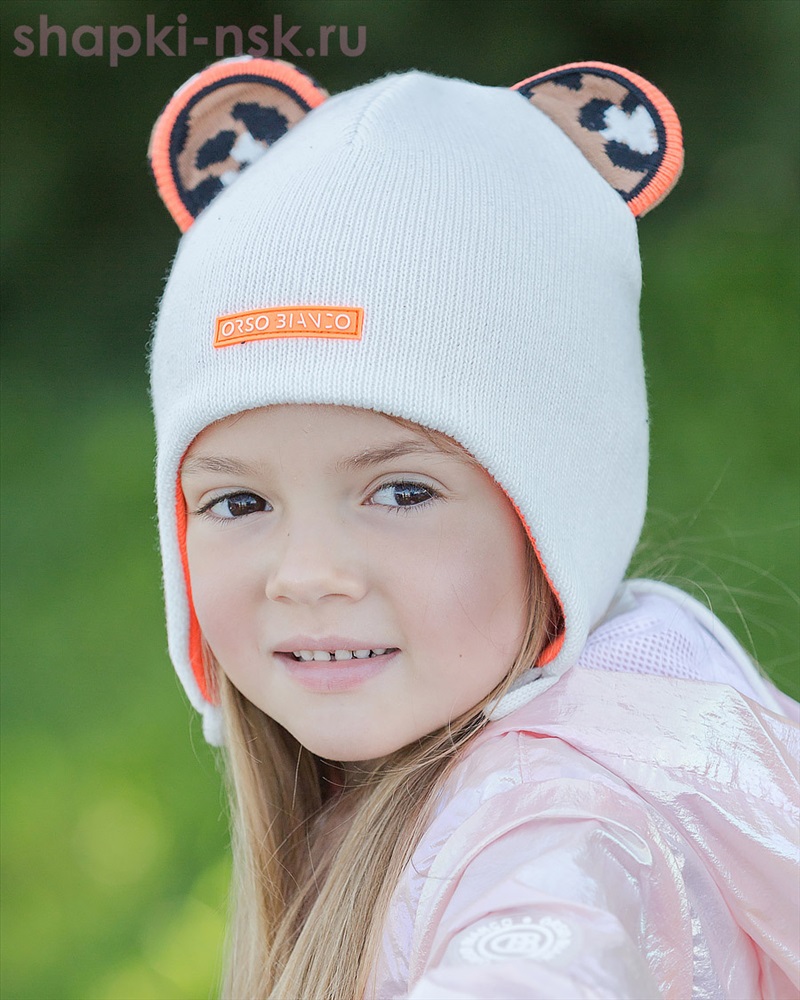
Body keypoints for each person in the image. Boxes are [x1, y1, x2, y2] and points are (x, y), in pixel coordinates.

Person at [147, 56, 799, 999]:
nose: (308, 573)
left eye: (402, 492)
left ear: (551, 519)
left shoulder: (560, 828)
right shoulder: (399, 796)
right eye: (240, 503)